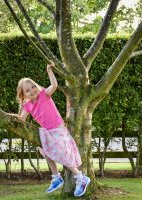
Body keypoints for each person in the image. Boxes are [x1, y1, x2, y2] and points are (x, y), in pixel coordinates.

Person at [13, 60, 90, 197]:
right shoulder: (28, 106)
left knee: (62, 154)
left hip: (59, 130)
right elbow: (21, 120)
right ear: (23, 95)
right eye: (27, 90)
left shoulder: (44, 95)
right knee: (44, 150)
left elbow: (54, 85)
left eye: (33, 87)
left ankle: (80, 177)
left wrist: (50, 71)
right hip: (49, 132)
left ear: (36, 86)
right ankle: (56, 177)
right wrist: (12, 118)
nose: (32, 91)